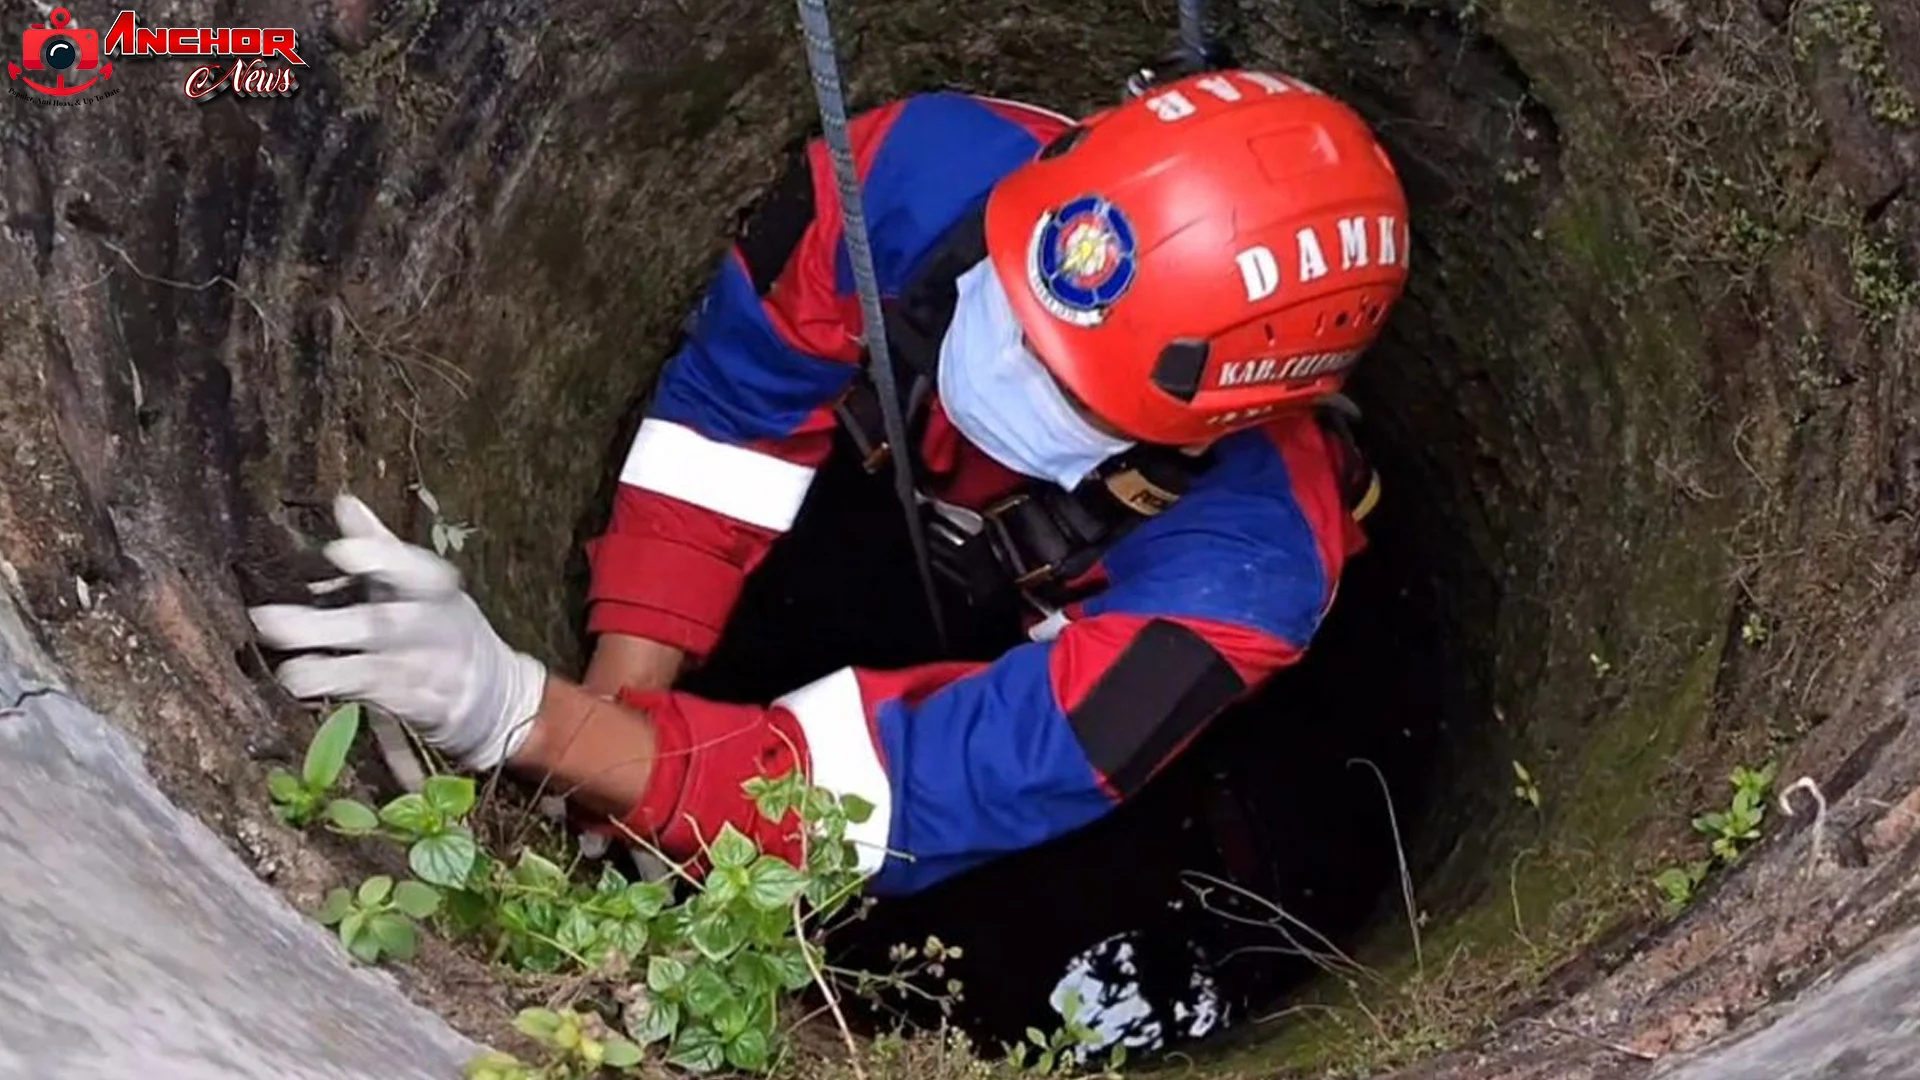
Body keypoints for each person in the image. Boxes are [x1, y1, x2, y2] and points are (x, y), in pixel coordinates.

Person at [247, 66, 1412, 898]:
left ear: (1214, 432)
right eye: (1009, 293)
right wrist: (608, 721)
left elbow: (908, 794)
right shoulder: (915, 179)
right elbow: (730, 414)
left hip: (1060, 598)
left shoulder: (1241, 579)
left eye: (1071, 388)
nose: (999, 351)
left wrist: (522, 716)